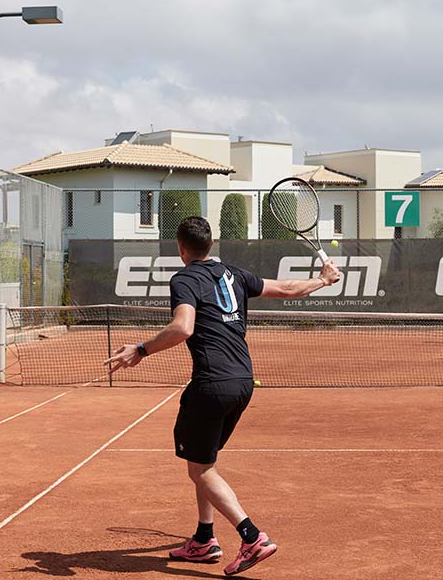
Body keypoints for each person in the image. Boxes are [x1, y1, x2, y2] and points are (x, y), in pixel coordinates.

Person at [105, 216, 340, 576]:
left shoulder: (184, 278)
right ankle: (203, 539)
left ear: (181, 248)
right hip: (243, 381)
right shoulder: (234, 274)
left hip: (212, 384)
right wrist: (322, 280)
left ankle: (251, 537)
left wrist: (140, 348)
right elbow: (289, 290)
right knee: (204, 462)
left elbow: (183, 327)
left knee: (199, 469)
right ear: (211, 244)